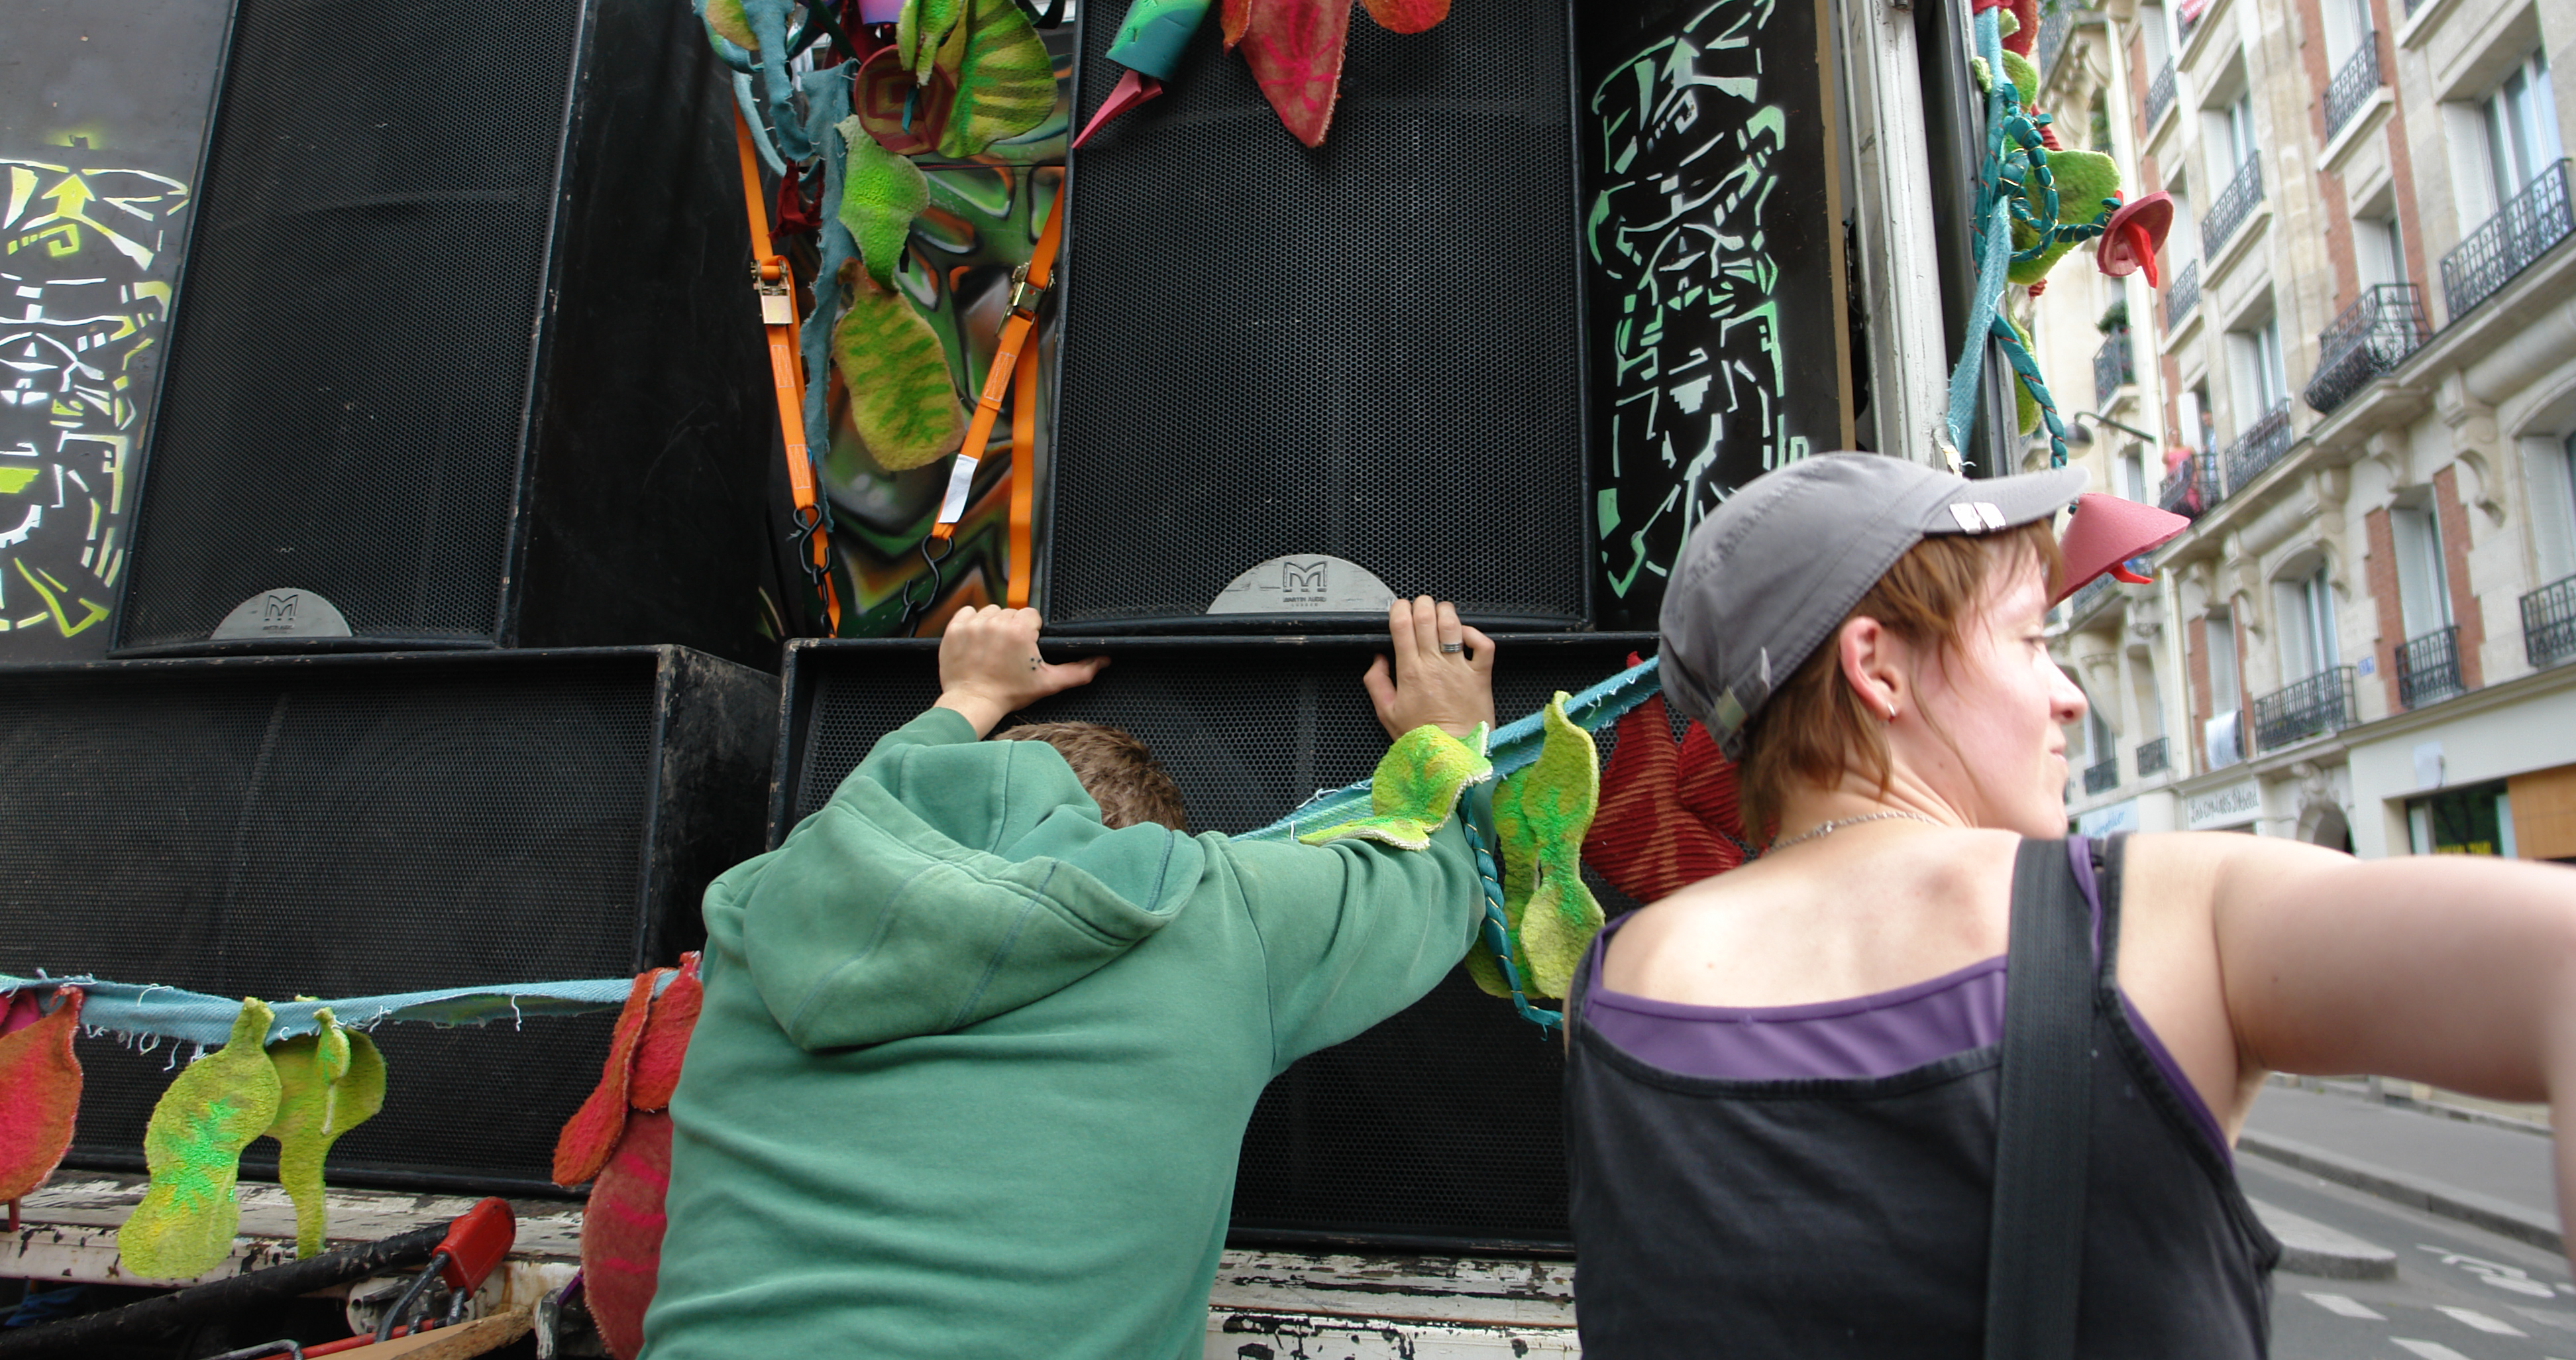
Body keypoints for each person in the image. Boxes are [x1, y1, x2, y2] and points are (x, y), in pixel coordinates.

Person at [1566, 451, 2576, 1357]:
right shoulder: (2172, 918)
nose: (2070, 695)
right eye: (2031, 639)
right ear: (1876, 667)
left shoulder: (1612, 985)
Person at [642, 598, 1494, 1359]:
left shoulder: (758, 911)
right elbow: (1439, 886)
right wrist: (1452, 733)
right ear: (1149, 847)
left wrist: (969, 697)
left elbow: (864, 815)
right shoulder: (1211, 916)